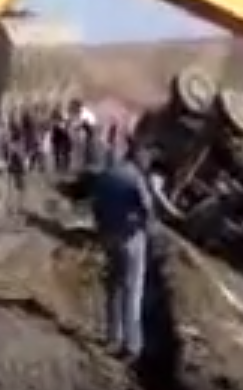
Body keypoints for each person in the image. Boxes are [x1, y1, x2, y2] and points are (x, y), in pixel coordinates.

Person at [89, 141, 156, 362]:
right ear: (139, 156)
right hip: (131, 238)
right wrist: (147, 229)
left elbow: (95, 205)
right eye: (147, 158)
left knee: (113, 288)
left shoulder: (109, 174)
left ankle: (112, 337)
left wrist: (102, 230)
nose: (148, 163)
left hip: (109, 237)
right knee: (132, 291)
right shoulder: (136, 178)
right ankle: (132, 345)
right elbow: (147, 209)